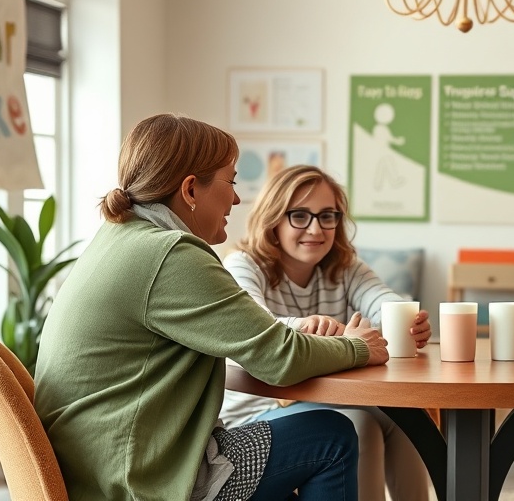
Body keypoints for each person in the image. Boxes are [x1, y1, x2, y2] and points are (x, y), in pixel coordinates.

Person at [34, 114, 389, 500]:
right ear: (190, 190)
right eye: (231, 181)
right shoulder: (171, 254)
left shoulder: (119, 239)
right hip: (140, 479)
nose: (237, 198)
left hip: (105, 466)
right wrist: (359, 347)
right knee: (331, 437)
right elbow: (278, 357)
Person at [221, 164, 432, 501]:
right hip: (256, 409)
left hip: (327, 397)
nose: (316, 229)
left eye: (327, 216)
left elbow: (384, 301)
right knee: (360, 425)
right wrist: (303, 328)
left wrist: (407, 320)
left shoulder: (344, 265)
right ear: (273, 219)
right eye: (300, 216)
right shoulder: (244, 265)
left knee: (406, 416)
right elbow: (256, 326)